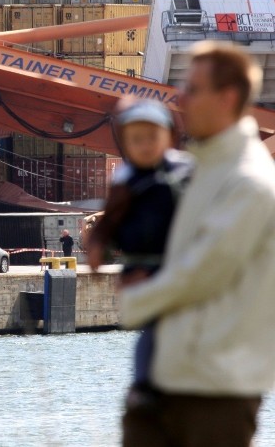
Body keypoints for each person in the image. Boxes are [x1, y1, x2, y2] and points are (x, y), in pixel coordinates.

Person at [118, 41, 275, 447]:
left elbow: (203, 272)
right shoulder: (202, 170)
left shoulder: (247, 181)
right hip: (173, 380)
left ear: (227, 98)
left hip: (215, 392)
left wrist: (134, 300)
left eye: (193, 88)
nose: (180, 97)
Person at [85, 97, 193, 396]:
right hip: (141, 266)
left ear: (169, 137)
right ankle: (145, 384)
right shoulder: (125, 180)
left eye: (151, 138)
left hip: (176, 267)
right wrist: (96, 246)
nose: (144, 145)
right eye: (136, 140)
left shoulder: (183, 174)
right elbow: (109, 223)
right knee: (153, 333)